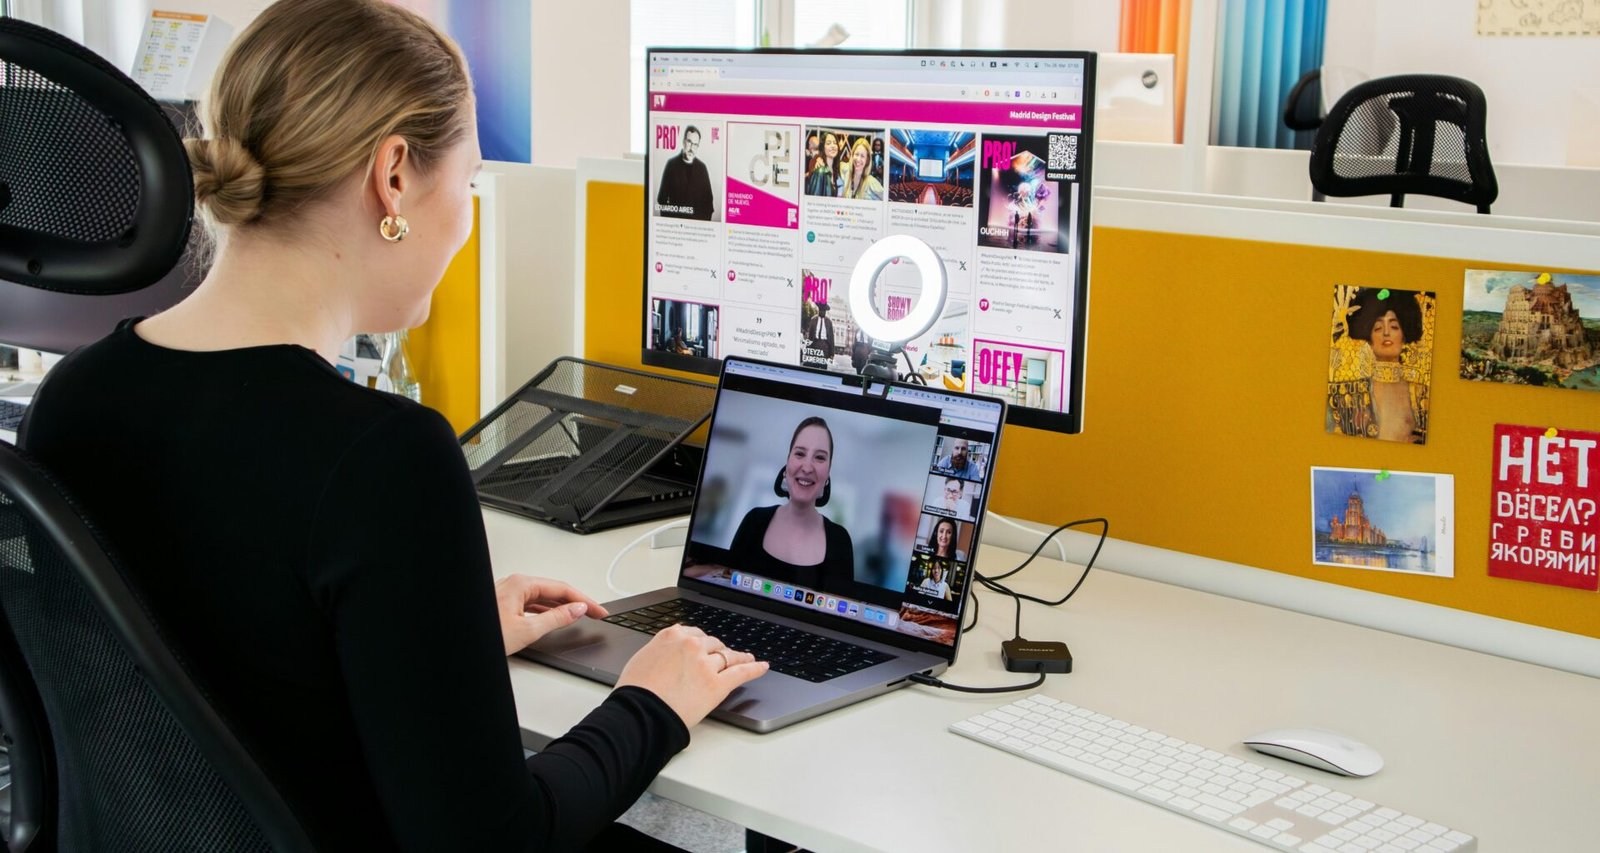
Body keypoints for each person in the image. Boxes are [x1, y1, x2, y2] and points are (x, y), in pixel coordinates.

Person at [18, 1, 765, 848]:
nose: (467, 219)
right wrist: (652, 701)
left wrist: (435, 642)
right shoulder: (383, 456)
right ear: (395, 176)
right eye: (469, 182)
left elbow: (212, 662)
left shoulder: (75, 397)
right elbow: (493, 842)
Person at [728, 417, 855, 591]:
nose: (807, 468)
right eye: (800, 454)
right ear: (787, 464)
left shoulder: (840, 541)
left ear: (828, 474)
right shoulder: (754, 520)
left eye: (819, 457)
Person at [1327, 287, 1431, 444]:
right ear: (1369, 338)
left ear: (1404, 336)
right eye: (1378, 328)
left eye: (1394, 327)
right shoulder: (1347, 396)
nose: (1386, 333)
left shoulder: (1422, 396)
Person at [655, 124, 716, 220]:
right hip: (675, 225)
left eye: (695, 144)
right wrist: (670, 224)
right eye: (689, 142)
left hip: (696, 226)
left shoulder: (702, 168)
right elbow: (661, 199)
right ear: (684, 142)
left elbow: (709, 205)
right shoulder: (671, 165)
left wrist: (701, 225)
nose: (691, 148)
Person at [804, 131, 842, 197]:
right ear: (823, 147)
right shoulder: (820, 172)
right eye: (828, 143)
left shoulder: (835, 171)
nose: (833, 146)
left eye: (835, 143)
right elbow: (814, 200)